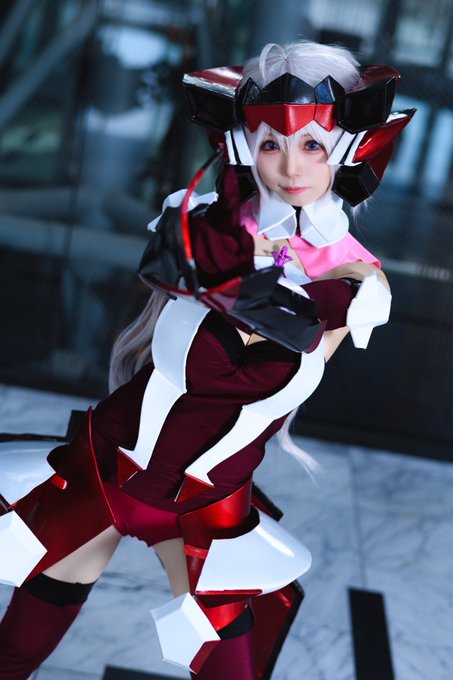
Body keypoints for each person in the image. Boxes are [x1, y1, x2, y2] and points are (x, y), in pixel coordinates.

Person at [0, 40, 414, 679]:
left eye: (312, 144)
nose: (291, 166)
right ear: (244, 144)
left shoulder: (360, 281)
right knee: (18, 646)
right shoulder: (196, 220)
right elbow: (185, 271)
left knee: (228, 664)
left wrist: (314, 281)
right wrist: (256, 262)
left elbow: (289, 340)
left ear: (348, 147)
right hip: (110, 463)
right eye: (271, 143)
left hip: (210, 502)